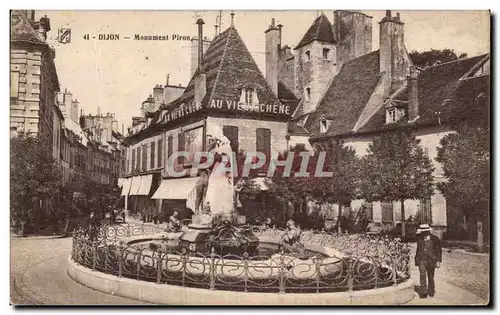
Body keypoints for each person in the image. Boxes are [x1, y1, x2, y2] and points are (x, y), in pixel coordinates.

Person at [415, 224, 442, 298]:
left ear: (428, 231)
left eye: (424, 232)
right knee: (422, 276)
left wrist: (438, 261)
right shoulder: (420, 239)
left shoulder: (435, 239)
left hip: (431, 260)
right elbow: (418, 250)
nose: (423, 233)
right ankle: (424, 292)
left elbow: (438, 251)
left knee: (430, 276)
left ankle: (431, 291)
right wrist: (417, 260)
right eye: (422, 232)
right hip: (422, 260)